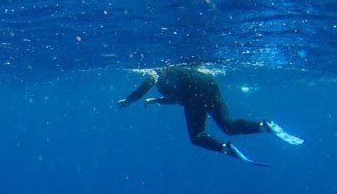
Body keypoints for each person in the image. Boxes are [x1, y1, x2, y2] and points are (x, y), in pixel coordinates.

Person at [117, 66, 303, 166]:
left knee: (197, 137)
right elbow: (177, 98)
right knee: (228, 126)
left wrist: (128, 100)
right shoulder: (179, 73)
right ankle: (264, 126)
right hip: (209, 85)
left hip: (195, 94)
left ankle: (224, 148)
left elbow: (145, 88)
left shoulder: (155, 71)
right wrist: (157, 100)